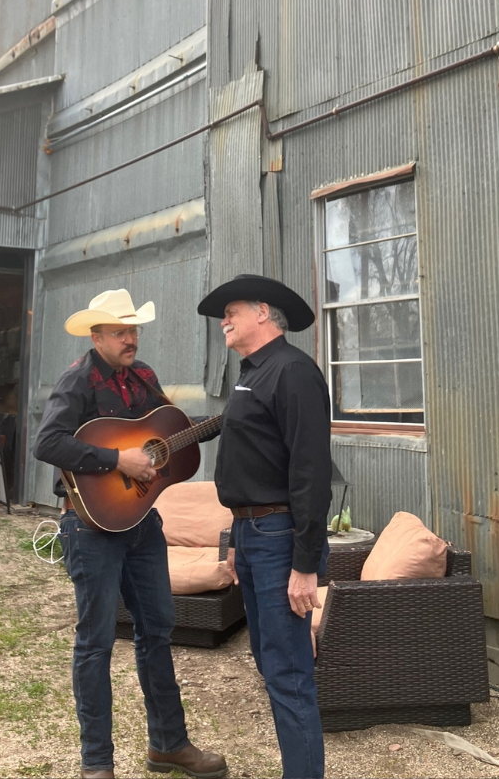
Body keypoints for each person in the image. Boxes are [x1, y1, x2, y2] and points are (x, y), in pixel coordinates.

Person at [33, 289, 227, 779]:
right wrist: (117, 459)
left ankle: (169, 745)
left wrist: (225, 421)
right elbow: (48, 442)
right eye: (120, 331)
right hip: (90, 529)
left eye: (134, 330)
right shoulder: (77, 381)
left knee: (158, 631)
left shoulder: (143, 378)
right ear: (96, 336)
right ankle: (97, 763)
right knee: (95, 643)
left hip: (142, 524)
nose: (130, 339)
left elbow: (171, 432)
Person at [197, 274, 332, 779]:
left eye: (231, 312)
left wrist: (305, 566)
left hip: (279, 537)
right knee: (269, 659)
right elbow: (249, 469)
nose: (224, 322)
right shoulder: (251, 373)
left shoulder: (292, 371)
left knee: (288, 671)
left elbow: (311, 472)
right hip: (252, 534)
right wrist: (235, 539)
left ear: (262, 312)